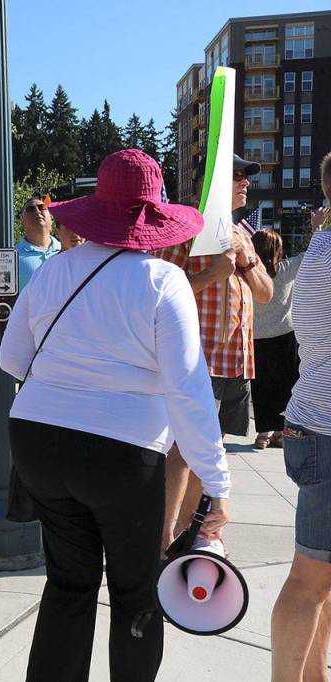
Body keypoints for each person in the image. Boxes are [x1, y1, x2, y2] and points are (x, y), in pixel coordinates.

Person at [0, 150, 231, 682]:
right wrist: (217, 485)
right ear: (153, 217)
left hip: (39, 442)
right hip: (123, 455)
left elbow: (12, 358)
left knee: (67, 584)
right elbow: (189, 391)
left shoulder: (56, 269)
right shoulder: (163, 282)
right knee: (135, 593)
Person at [155, 154, 273, 547]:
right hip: (195, 360)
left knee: (209, 452)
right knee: (182, 452)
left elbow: (266, 293)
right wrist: (211, 275)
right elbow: (160, 295)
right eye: (237, 175)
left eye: (247, 177)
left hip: (232, 363)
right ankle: (163, 538)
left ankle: (186, 535)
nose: (245, 183)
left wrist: (248, 259)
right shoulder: (184, 227)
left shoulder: (242, 230)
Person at [270, 151, 331, 682]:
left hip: (314, 416)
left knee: (319, 578)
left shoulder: (319, 247)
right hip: (328, 426)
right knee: (310, 579)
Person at [250, 228, 304, 449]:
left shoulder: (248, 274)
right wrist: (318, 227)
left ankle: (263, 434)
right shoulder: (286, 270)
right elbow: (309, 255)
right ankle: (281, 433)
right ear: (278, 249)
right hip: (285, 335)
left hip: (256, 337)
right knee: (286, 385)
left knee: (260, 386)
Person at [16, 196, 60, 291]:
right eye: (30, 209)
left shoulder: (66, 250)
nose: (37, 211)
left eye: (42, 207)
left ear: (51, 217)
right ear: (22, 220)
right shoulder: (12, 256)